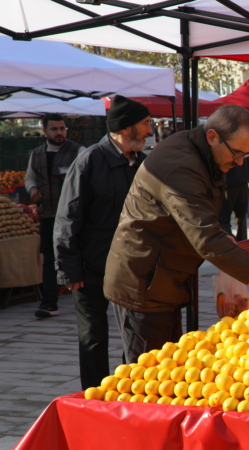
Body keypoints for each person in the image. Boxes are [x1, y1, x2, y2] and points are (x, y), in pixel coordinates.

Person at [103, 105, 249, 364]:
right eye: (236, 153)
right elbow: (206, 239)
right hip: (143, 283)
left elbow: (205, 217)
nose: (239, 161)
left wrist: (224, 235)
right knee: (147, 373)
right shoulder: (180, 166)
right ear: (212, 136)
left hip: (166, 279)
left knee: (169, 368)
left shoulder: (206, 156)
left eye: (247, 154)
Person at [53, 95, 152, 390]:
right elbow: (67, 218)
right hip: (90, 268)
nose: (150, 130)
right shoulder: (89, 160)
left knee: (134, 337)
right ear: (126, 128)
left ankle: (129, 394)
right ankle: (94, 398)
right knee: (93, 338)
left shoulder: (143, 165)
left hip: (130, 269)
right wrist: (69, 270)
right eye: (145, 124)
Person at [24, 113, 86, 318]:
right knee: (50, 259)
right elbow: (30, 177)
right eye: (54, 129)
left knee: (79, 256)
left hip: (74, 217)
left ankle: (86, 302)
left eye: (62, 128)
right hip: (48, 216)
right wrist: (32, 189)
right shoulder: (37, 153)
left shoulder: (79, 152)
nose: (60, 132)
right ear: (45, 131)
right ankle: (49, 303)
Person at [219, 155, 249, 242]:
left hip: (228, 187)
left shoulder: (224, 150)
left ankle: (232, 241)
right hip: (243, 186)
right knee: (241, 218)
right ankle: (243, 242)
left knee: (223, 220)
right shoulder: (244, 151)